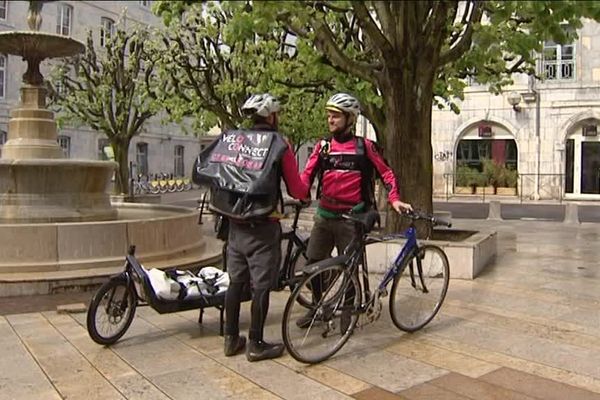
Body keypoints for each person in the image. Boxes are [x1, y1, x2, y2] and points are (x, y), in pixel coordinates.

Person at [194, 93, 309, 361]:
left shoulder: (233, 140)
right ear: (271, 116)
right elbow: (295, 187)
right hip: (263, 226)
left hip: (234, 226)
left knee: (236, 281)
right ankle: (256, 343)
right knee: (261, 286)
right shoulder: (279, 144)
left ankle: (231, 339)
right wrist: (305, 195)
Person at [297, 93, 412, 327]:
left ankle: (347, 313)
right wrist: (297, 192)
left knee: (350, 269)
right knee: (312, 265)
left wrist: (395, 199)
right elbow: (306, 176)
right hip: (324, 217)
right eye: (329, 116)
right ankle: (318, 307)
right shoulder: (323, 147)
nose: (330, 120)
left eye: (336, 116)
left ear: (350, 119)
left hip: (351, 220)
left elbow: (386, 173)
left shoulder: (364, 147)